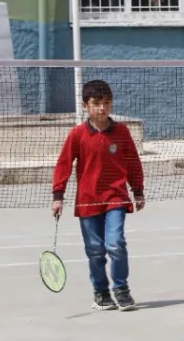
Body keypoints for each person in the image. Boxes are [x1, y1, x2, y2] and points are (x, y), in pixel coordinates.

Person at [51, 79, 145, 312]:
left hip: (116, 198)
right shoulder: (77, 134)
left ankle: (121, 290)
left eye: (107, 103)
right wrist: (58, 195)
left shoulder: (121, 131)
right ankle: (101, 293)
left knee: (115, 243)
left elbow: (133, 161)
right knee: (95, 250)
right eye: (96, 103)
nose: (102, 108)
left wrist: (138, 190)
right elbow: (63, 164)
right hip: (88, 200)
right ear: (85, 106)